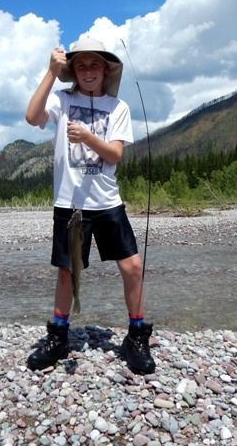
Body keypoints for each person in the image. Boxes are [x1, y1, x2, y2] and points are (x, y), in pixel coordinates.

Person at [24, 37, 155, 374]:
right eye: (80, 65)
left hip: (107, 201)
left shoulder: (118, 107)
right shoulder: (61, 99)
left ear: (106, 69)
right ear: (73, 70)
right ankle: (58, 335)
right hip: (70, 205)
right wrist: (50, 73)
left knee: (133, 267)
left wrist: (88, 138)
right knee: (67, 272)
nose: (87, 70)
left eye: (94, 63)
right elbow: (31, 116)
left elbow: (115, 154)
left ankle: (136, 334)